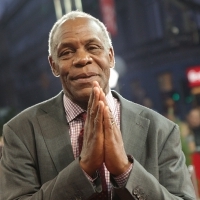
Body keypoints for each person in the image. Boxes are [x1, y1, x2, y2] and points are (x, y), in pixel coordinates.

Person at [0, 11, 196, 200]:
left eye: (93, 47)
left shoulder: (162, 129)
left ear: (110, 57)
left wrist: (124, 170)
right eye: (67, 52)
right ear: (54, 65)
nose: (83, 59)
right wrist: (83, 168)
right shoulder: (20, 132)